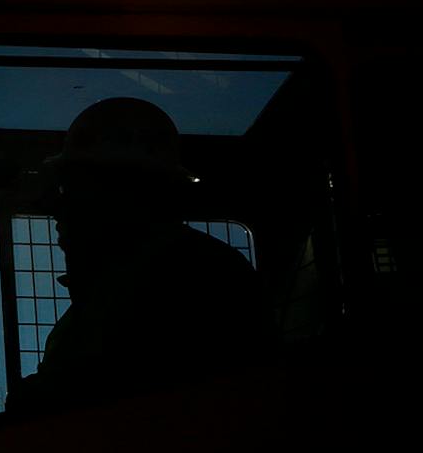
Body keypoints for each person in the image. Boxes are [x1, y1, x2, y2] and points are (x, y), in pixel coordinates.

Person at [16, 97, 268, 412]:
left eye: (71, 190)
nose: (53, 207)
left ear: (117, 195)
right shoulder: (178, 269)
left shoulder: (190, 280)